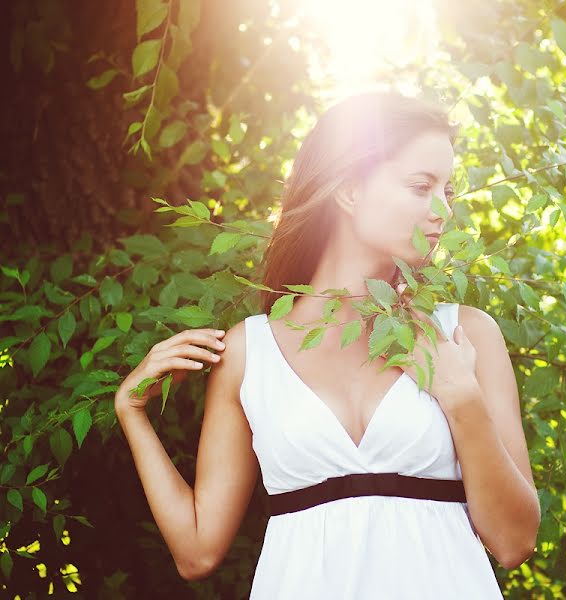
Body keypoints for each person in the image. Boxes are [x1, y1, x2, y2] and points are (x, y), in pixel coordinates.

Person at [115, 90, 540, 598]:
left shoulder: (465, 335)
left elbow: (514, 542)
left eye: (448, 191)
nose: (442, 211)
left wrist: (461, 396)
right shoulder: (251, 354)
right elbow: (197, 551)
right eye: (422, 186)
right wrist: (132, 411)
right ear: (349, 191)